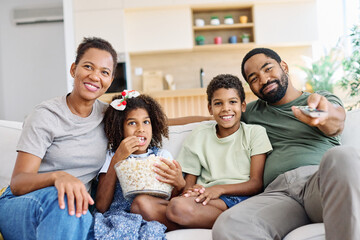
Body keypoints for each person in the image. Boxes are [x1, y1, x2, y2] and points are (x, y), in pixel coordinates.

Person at [212, 48, 360, 240]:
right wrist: (162, 121)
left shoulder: (319, 100)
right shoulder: (250, 112)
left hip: (318, 184)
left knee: (343, 156)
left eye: (268, 69)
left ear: (284, 66)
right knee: (229, 224)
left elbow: (336, 122)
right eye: (254, 78)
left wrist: (322, 116)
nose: (264, 80)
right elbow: (213, 119)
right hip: (278, 194)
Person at [0, 37, 117, 240]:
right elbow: (18, 182)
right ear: (74, 69)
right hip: (24, 203)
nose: (95, 76)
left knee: (82, 213)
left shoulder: (109, 117)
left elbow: (149, 123)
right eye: (88, 66)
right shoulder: (46, 115)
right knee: (67, 201)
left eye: (104, 72)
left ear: (110, 81)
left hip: (75, 209)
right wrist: (57, 177)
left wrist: (193, 120)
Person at [165, 74, 272, 229]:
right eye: (218, 103)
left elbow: (256, 184)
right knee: (143, 205)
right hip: (205, 198)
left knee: (177, 207)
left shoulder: (255, 133)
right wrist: (191, 191)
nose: (226, 108)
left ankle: (194, 218)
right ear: (210, 108)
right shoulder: (199, 134)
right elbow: (189, 184)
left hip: (241, 198)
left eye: (232, 102)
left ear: (243, 106)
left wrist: (218, 189)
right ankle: (203, 219)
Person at [94, 91, 186, 239]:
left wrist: (180, 184)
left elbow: (170, 200)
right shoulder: (112, 156)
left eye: (146, 122)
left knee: (152, 231)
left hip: (152, 216)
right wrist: (117, 159)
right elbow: (102, 205)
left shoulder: (161, 156)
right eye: (132, 123)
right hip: (121, 216)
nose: (140, 129)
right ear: (120, 128)